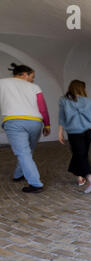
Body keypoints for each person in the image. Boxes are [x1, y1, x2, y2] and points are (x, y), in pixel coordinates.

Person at [0, 63, 51, 193]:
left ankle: (35, 184)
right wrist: (47, 124)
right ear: (24, 74)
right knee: (28, 151)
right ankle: (18, 174)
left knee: (23, 153)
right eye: (32, 76)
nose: (33, 80)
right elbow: (42, 107)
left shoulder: (3, 83)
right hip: (35, 122)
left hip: (14, 121)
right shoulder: (35, 87)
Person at [58, 80, 91, 193]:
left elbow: (62, 119)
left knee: (79, 154)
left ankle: (90, 179)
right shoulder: (89, 101)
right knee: (81, 154)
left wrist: (60, 133)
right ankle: (79, 177)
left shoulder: (64, 101)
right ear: (82, 89)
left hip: (74, 132)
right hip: (89, 131)